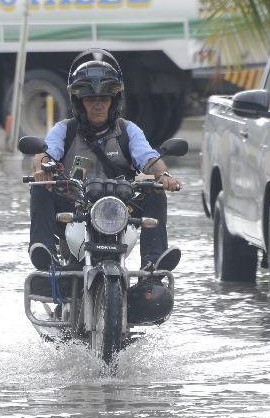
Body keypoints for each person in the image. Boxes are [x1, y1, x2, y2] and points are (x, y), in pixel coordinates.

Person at [27, 49, 183, 273]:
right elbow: (45, 153)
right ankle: (45, 255)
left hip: (122, 207)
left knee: (155, 191)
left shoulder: (128, 131)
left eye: (103, 99)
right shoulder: (64, 130)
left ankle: (153, 265)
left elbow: (148, 158)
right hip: (75, 206)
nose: (97, 105)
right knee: (39, 188)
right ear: (80, 103)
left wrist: (163, 176)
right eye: (90, 100)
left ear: (113, 101)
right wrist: (43, 169)